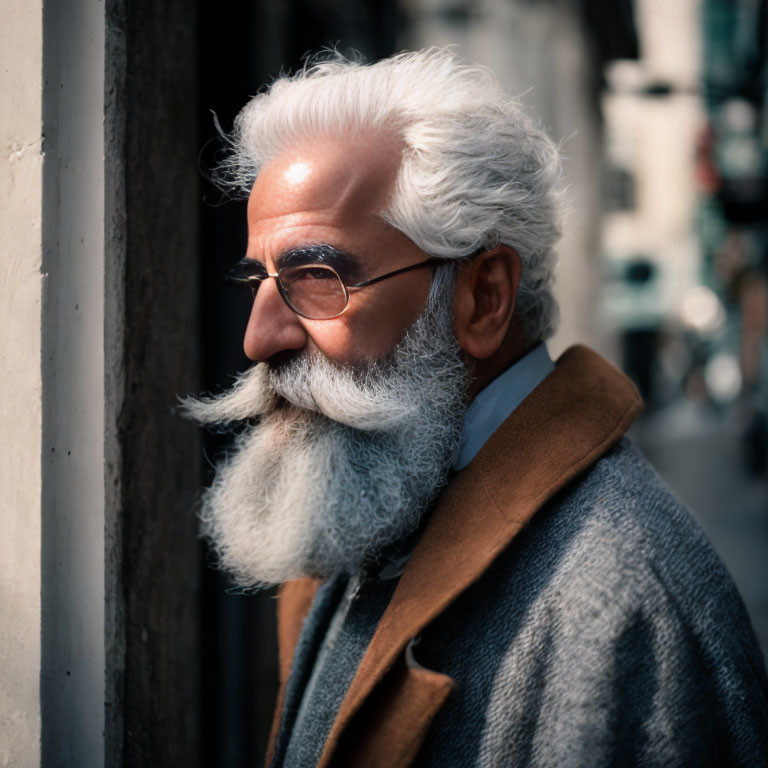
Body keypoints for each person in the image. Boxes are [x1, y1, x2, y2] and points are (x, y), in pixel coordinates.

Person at [184, 49, 768, 767]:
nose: (258, 337)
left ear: (483, 296)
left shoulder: (618, 600)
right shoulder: (368, 513)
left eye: (316, 276)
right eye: (259, 282)